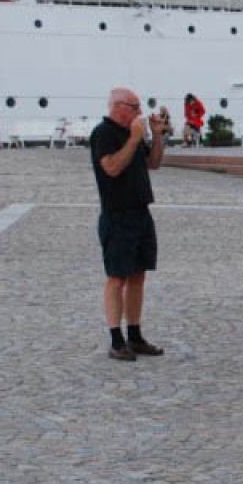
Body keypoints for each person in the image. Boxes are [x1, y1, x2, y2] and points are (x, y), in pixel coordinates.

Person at [90, 87, 166, 361]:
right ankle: (116, 339)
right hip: (117, 215)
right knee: (116, 277)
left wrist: (156, 136)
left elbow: (153, 163)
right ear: (118, 106)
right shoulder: (104, 133)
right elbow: (110, 167)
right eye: (135, 107)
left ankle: (135, 335)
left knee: (138, 275)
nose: (139, 112)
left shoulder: (132, 133)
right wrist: (134, 139)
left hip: (141, 213)